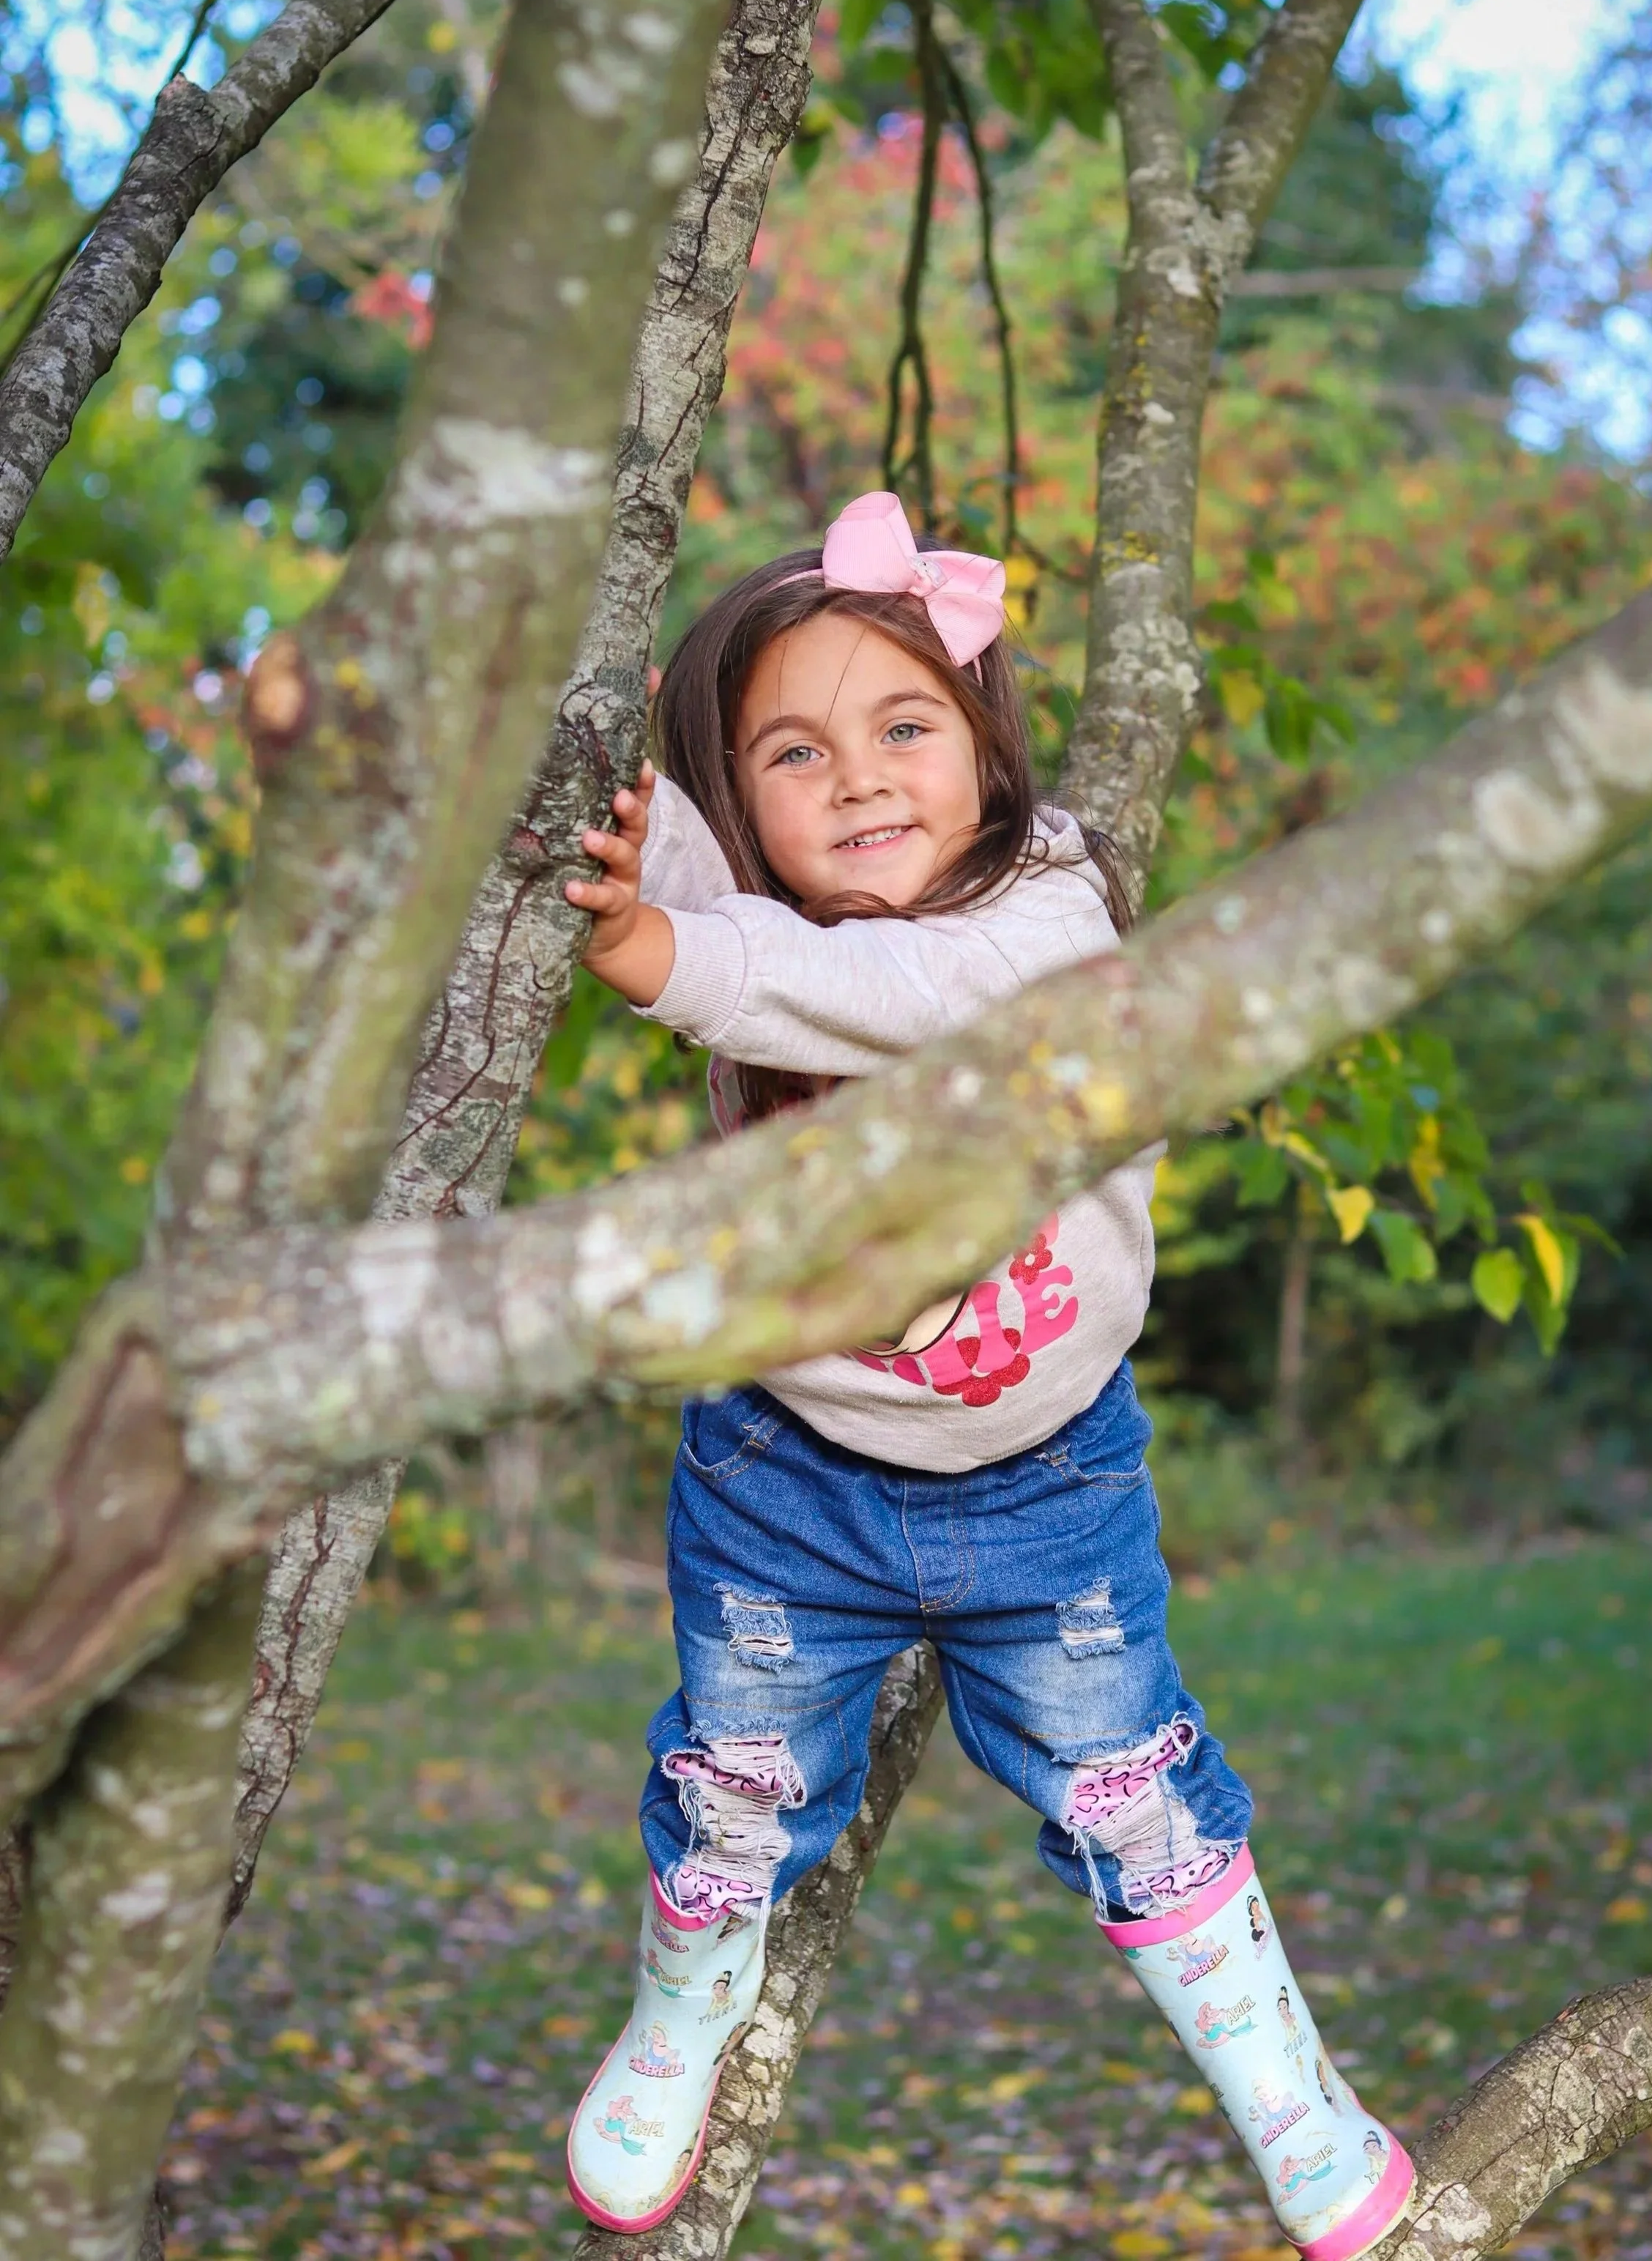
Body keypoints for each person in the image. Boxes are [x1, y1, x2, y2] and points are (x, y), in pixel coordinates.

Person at [559, 494, 1413, 2255]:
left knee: (1133, 1794)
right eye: (793, 754)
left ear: (983, 741)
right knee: (733, 1788)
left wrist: (669, 955)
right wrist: (647, 846)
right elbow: (717, 905)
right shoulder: (767, 912)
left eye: (904, 726)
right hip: (785, 1476)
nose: (859, 779)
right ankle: (681, 1999)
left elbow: (889, 990)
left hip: (1048, 1492)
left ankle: (1282, 2086)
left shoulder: (1048, 913)